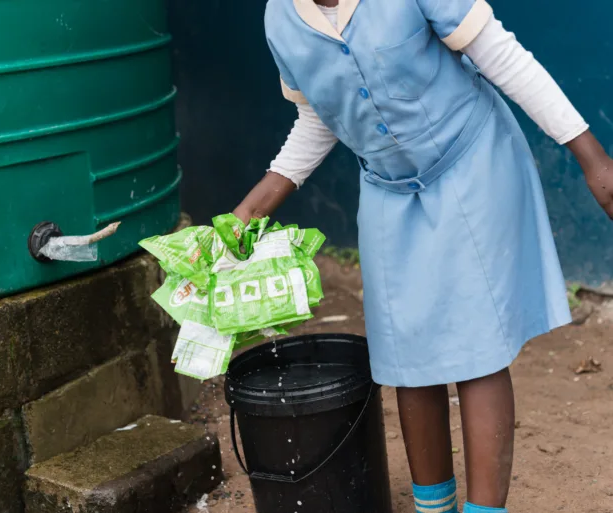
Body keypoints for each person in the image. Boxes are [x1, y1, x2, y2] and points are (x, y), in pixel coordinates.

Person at [232, 1, 613, 512]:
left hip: (471, 162)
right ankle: (433, 506)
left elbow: (504, 58)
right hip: (388, 188)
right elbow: (320, 114)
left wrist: (592, 158)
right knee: (407, 355)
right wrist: (250, 210)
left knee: (478, 351)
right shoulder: (280, 20)